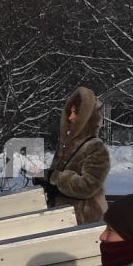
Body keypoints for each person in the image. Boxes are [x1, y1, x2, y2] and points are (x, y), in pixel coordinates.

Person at [42, 86, 110, 225]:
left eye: (76, 113)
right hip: (63, 219)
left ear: (86, 117)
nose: (71, 118)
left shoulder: (95, 147)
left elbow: (88, 186)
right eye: (70, 112)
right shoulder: (65, 146)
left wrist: (54, 177)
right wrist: (44, 179)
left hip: (85, 221)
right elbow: (56, 179)